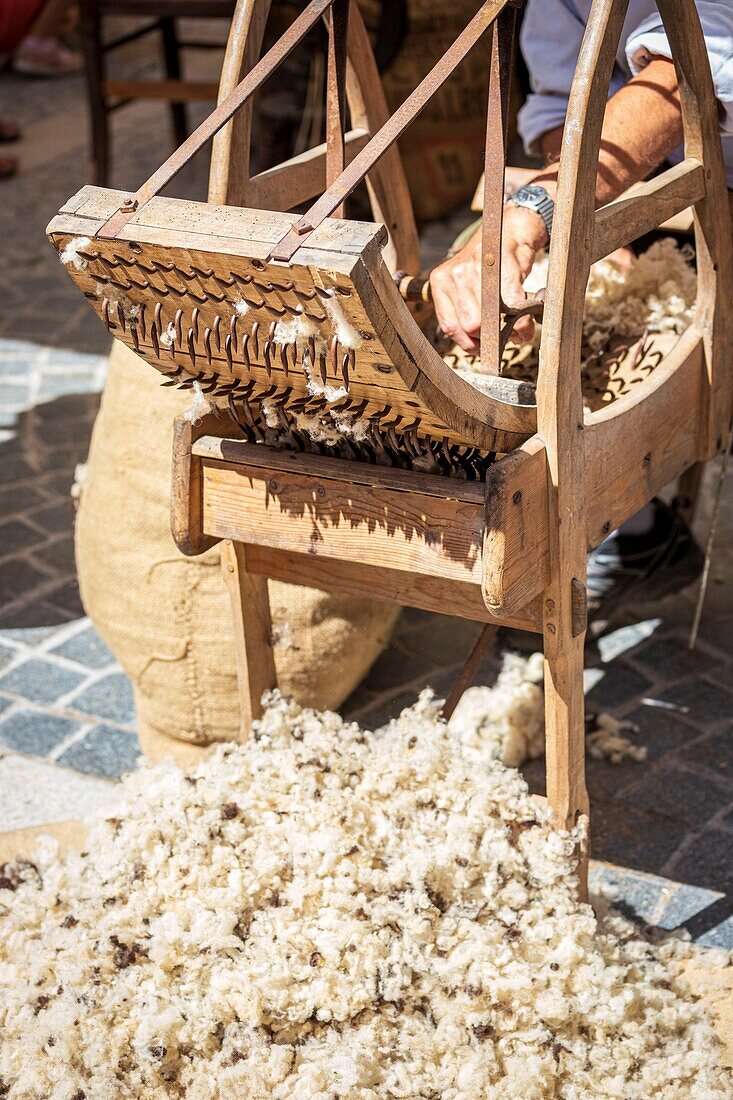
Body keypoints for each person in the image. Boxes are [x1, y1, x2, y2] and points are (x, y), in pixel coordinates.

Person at [431, 0, 733, 620]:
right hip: (628, 179)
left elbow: (689, 68)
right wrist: (594, 216)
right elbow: (560, 103)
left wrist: (540, 210)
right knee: (571, 338)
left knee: (685, 363)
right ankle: (639, 537)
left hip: (711, 174)